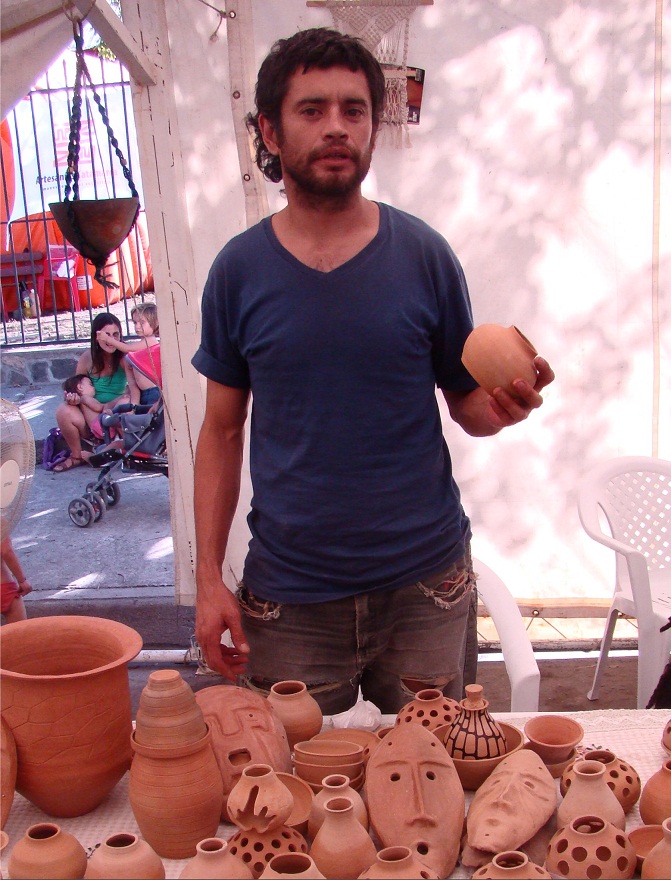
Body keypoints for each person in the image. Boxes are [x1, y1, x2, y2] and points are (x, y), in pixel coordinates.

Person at [191, 28, 555, 714]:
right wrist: (209, 580)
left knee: (435, 766)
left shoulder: (424, 256)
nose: (336, 126)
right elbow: (221, 430)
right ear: (269, 131)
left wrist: (501, 410)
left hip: (426, 585)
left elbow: (466, 404)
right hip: (290, 595)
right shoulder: (237, 272)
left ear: (372, 128)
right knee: (287, 776)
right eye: (312, 109)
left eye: (353, 110)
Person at [54, 312, 130, 470]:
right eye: (107, 335)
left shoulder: (124, 357)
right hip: (92, 418)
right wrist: (73, 398)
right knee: (63, 410)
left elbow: (134, 388)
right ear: (97, 336)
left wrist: (109, 405)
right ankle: (77, 456)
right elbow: (77, 385)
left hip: (115, 413)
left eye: (116, 334)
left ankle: (128, 453)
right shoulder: (87, 358)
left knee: (125, 403)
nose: (111, 339)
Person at [97, 303, 162, 409]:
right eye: (135, 322)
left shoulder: (150, 341)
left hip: (154, 392)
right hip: (143, 392)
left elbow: (127, 348)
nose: (137, 326)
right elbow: (133, 383)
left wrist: (108, 339)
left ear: (154, 323)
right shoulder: (138, 348)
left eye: (142, 323)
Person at [1, 533, 32, 623]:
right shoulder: (1, 526)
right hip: (3, 587)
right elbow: (6, 551)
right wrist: (22, 581)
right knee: (19, 629)